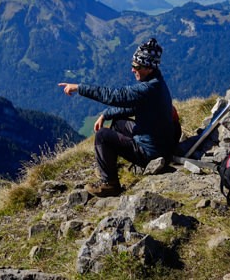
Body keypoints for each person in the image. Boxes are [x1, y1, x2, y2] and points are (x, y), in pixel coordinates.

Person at [58, 37, 180, 197]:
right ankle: (110, 166)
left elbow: (114, 96)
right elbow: (134, 106)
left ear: (149, 67)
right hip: (161, 143)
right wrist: (106, 114)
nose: (132, 69)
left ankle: (110, 185)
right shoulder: (156, 82)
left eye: (136, 66)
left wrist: (79, 88)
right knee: (118, 123)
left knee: (102, 136)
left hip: (151, 152)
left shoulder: (148, 88)